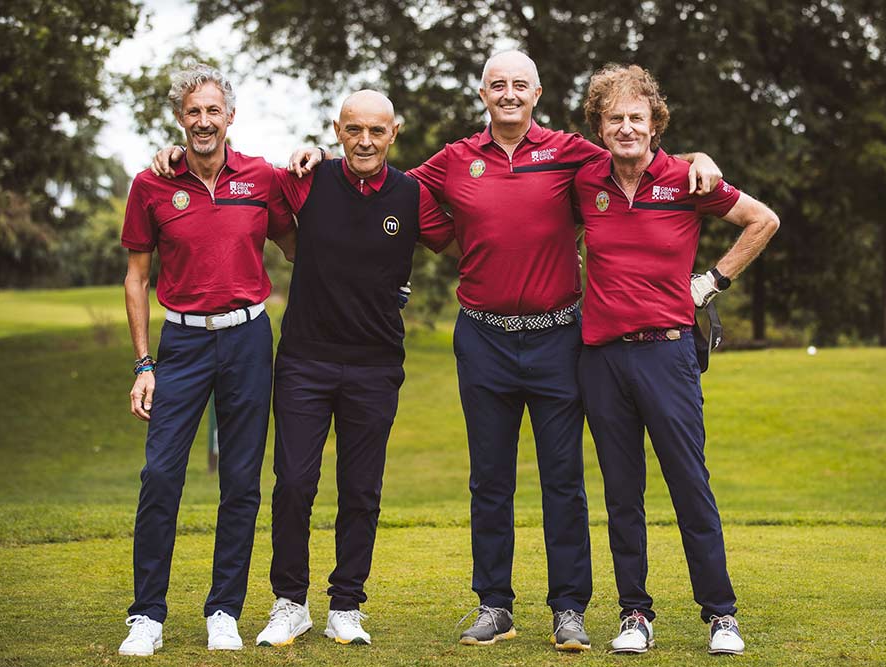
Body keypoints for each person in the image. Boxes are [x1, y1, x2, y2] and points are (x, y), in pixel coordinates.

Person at [283, 49, 723, 653]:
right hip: (483, 337)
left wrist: (699, 160)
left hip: (557, 337)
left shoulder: (571, 152)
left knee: (563, 480)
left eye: (520, 84)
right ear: (483, 93)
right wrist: (319, 157)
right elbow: (383, 177)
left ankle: (568, 608)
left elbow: (639, 156)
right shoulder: (455, 159)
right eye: (498, 84)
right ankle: (494, 604)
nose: (509, 93)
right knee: (489, 480)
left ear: (536, 93)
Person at [573, 63, 779, 656]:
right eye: (615, 118)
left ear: (654, 124)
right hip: (602, 360)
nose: (626, 127)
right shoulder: (585, 180)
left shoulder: (686, 179)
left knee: (690, 485)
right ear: (599, 127)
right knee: (622, 494)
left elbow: (762, 220)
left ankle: (721, 615)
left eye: (637, 117)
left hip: (668, 355)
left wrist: (711, 282)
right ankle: (635, 613)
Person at [250, 90, 456, 648]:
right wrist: (176, 157)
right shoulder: (308, 179)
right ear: (337, 130)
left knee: (361, 490)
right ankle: (290, 602)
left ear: (394, 133)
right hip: (305, 360)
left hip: (375, 364)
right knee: (294, 483)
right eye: (354, 129)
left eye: (376, 130)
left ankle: (346, 604)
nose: (365, 141)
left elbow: (459, 240)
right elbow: (246, 182)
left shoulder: (411, 194)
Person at [118, 63, 296, 656]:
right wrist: (144, 364)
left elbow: (298, 247)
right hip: (183, 344)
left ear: (230, 116)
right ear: (179, 118)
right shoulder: (152, 184)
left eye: (212, 110)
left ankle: (224, 610)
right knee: (160, 475)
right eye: (192, 111)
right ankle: (147, 615)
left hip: (248, 339)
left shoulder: (261, 177)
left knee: (241, 481)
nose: (203, 121)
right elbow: (137, 277)